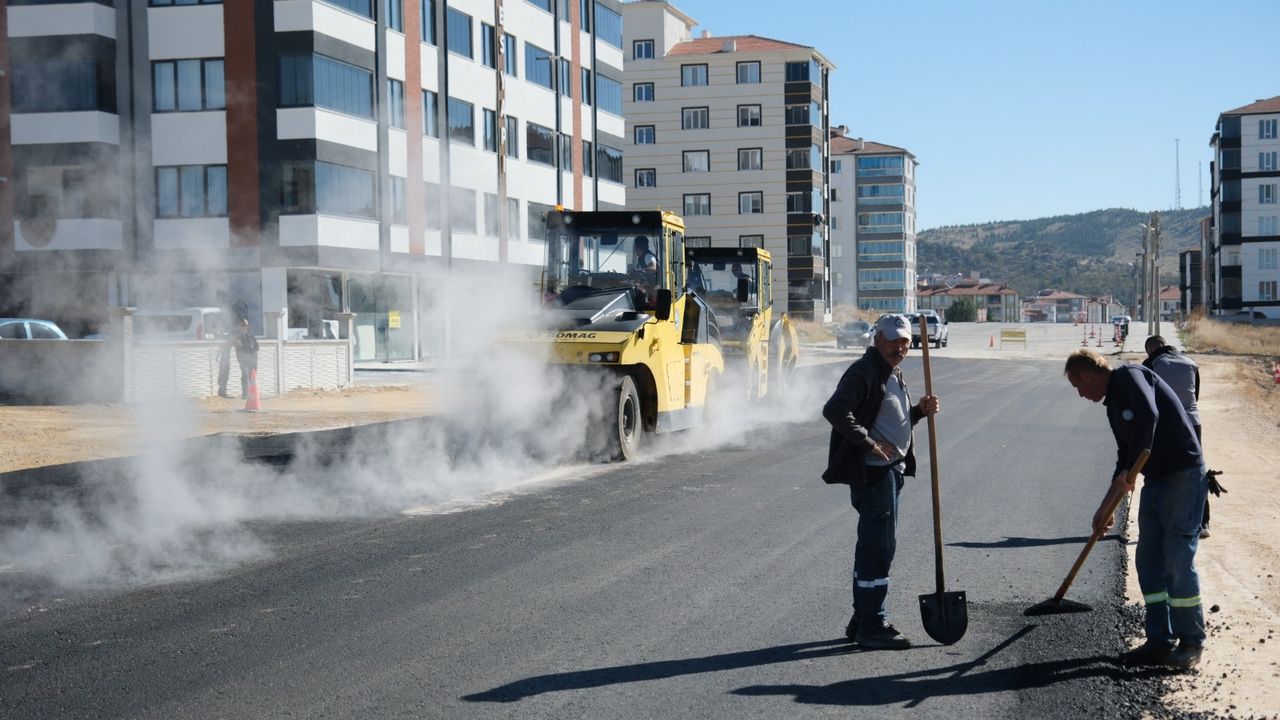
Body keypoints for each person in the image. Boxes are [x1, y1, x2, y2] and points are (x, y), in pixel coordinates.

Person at [1064, 348, 1208, 670]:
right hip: (1156, 481)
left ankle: (1191, 642)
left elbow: (1149, 415)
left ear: (1087, 375)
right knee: (1148, 561)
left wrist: (1131, 468)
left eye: (1077, 385)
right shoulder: (1113, 405)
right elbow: (1124, 457)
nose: (1080, 394)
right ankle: (1159, 641)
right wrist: (1106, 507)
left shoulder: (1130, 376)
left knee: (1177, 561)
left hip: (1183, 476)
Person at [822, 313, 940, 649]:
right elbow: (835, 409)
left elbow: (891, 421)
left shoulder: (890, 371)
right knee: (878, 549)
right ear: (877, 339)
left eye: (905, 341)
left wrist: (918, 412)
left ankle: (862, 618)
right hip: (875, 474)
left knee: (874, 547)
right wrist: (869, 443)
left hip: (890, 471)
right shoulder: (865, 371)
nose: (900, 347)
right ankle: (873, 624)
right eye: (893, 340)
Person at [1143, 335, 1212, 539]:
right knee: (1197, 469)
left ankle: (1166, 522)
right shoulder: (1190, 362)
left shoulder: (1151, 364)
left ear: (1150, 350)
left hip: (1167, 424)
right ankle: (1203, 522)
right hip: (1193, 422)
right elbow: (1195, 396)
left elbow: (1147, 399)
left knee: (1163, 470)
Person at [233, 318, 259, 399]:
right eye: (242, 325)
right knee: (245, 375)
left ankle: (252, 394)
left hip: (252, 360)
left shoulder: (251, 336)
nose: (244, 327)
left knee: (252, 377)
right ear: (240, 326)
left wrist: (255, 359)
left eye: (245, 325)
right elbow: (239, 348)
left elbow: (256, 348)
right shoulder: (237, 337)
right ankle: (245, 394)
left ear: (247, 326)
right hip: (243, 360)